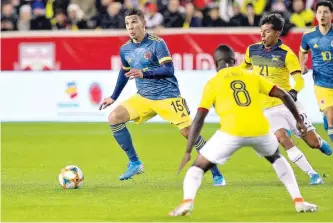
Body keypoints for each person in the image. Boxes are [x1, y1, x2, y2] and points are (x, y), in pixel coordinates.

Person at [168, 44, 318, 216]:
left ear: (215, 63)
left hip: (231, 132)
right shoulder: (252, 76)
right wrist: (298, 120)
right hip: (260, 129)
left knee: (198, 167)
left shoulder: (213, 83)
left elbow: (199, 118)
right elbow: (283, 94)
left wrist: (188, 150)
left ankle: (187, 202)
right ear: (234, 61)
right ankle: (299, 201)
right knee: (276, 158)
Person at [99, 8, 225, 185]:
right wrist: (113, 96)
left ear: (144, 23)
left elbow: (168, 69)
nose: (130, 26)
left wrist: (144, 73)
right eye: (127, 23)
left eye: (134, 22)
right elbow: (125, 72)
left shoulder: (157, 44)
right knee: (114, 118)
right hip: (143, 97)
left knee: (190, 133)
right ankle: (135, 162)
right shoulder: (125, 49)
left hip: (168, 96)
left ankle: (217, 174)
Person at [240, 13, 332, 185]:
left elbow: (299, 79)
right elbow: (241, 69)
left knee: (311, 141)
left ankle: (319, 142)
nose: (262, 35)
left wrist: (294, 91)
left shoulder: (286, 54)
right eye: (261, 31)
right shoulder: (252, 50)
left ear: (277, 33)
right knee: (282, 138)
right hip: (267, 108)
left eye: (267, 31)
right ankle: (313, 174)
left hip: (289, 103)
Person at [299, 0, 333, 144]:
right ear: (316, 15)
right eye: (319, 12)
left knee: (330, 117)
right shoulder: (309, 36)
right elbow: (302, 51)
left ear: (331, 14)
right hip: (322, 83)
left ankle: (326, 120)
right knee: (332, 115)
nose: (322, 15)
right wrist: (301, 65)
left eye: (325, 12)